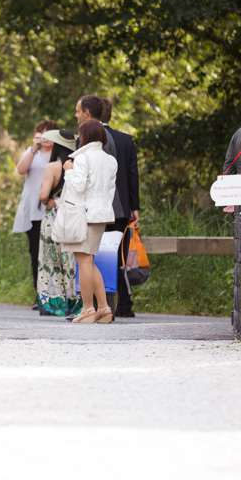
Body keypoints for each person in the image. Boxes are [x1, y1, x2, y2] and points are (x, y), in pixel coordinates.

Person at [61, 120, 118, 324]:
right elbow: (110, 190)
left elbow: (77, 187)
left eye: (80, 134)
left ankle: (87, 309)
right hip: (101, 214)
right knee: (90, 260)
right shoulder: (110, 160)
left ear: (85, 136)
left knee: (83, 260)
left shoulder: (83, 158)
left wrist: (68, 169)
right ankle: (104, 308)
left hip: (84, 214)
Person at [100, 97, 141, 318]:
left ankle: (104, 304)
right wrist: (134, 207)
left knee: (98, 254)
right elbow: (132, 176)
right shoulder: (126, 140)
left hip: (98, 207)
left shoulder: (87, 140)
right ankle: (124, 304)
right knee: (118, 256)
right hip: (122, 208)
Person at [36, 129, 83, 318]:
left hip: (53, 217)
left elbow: (43, 195)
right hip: (73, 215)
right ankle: (76, 301)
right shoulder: (78, 165)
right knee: (71, 258)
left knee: (51, 259)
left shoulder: (53, 167)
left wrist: (47, 200)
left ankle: (55, 302)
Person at [13, 119, 59, 309]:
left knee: (54, 253)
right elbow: (21, 169)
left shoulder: (60, 156)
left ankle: (55, 294)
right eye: (43, 134)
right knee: (36, 254)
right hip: (32, 210)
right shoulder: (33, 153)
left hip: (53, 209)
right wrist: (33, 148)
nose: (46, 139)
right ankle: (39, 295)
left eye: (50, 135)